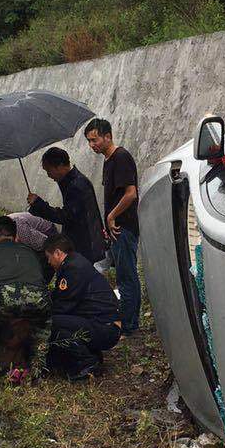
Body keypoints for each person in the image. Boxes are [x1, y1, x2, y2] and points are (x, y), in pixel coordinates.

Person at [0, 214, 51, 380]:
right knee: (42, 328)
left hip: (1, 297)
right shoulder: (30, 252)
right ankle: (38, 369)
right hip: (38, 298)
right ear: (16, 236)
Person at [84, 117, 141, 334]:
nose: (92, 145)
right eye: (89, 141)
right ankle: (128, 322)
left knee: (127, 278)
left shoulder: (121, 157)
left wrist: (111, 216)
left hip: (123, 228)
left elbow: (131, 193)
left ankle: (129, 326)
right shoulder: (109, 160)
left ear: (108, 136)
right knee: (123, 276)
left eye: (95, 139)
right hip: (116, 229)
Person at [44, 234, 122, 380]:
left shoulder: (73, 269)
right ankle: (90, 355)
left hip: (106, 328)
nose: (49, 262)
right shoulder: (75, 263)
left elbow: (62, 305)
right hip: (104, 324)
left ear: (58, 253)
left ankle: (87, 363)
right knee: (60, 322)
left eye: (49, 257)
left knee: (51, 323)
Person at [27, 147, 105, 265]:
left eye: (49, 171)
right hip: (84, 242)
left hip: (84, 244)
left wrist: (39, 204)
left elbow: (65, 216)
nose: (48, 175)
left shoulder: (76, 186)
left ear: (59, 166)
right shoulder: (73, 181)